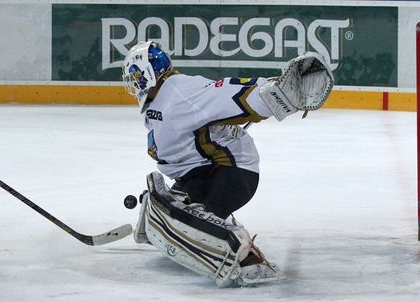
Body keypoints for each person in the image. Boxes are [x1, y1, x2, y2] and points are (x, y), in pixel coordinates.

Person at [122, 41, 334, 287]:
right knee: (170, 208)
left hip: (230, 172)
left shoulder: (179, 92)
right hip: (203, 173)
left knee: (181, 217)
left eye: (133, 75)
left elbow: (225, 93)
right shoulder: (160, 99)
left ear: (145, 75)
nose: (131, 82)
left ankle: (244, 256)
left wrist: (275, 94)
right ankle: (202, 219)